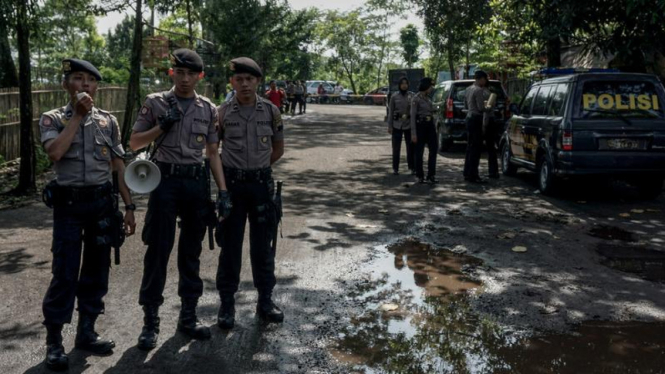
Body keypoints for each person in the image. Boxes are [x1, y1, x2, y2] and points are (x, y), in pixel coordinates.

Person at [38, 59, 136, 371]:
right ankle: (54, 342)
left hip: (101, 204)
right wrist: (77, 118)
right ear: (66, 84)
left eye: (90, 80)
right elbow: (54, 152)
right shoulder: (52, 118)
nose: (84, 85)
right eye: (77, 79)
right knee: (65, 272)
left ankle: (86, 332)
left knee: (97, 269)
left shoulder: (109, 122)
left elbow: (118, 166)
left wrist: (129, 207)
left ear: (97, 87)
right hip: (69, 206)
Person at [129, 48, 230, 350]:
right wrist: (162, 126)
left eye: (191, 74)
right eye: (180, 73)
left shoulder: (209, 108)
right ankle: (150, 320)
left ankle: (188, 316)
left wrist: (222, 191)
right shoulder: (156, 103)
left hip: (195, 183)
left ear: (200, 76)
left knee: (191, 251)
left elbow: (212, 153)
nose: (185, 79)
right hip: (164, 180)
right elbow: (134, 142)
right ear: (171, 73)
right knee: (158, 249)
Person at [216, 57, 285, 329]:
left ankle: (265, 300)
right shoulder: (221, 112)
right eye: (239, 79)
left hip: (260, 185)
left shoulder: (271, 112)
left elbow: (278, 149)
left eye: (250, 79)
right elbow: (213, 150)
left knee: (263, 246)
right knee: (230, 247)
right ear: (232, 82)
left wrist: (257, 168)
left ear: (258, 81)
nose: (244, 84)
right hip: (232, 186)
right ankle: (227, 303)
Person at [463, 70, 495, 183]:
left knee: (469, 147)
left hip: (469, 117)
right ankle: (473, 175)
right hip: (476, 119)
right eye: (485, 79)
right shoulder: (479, 90)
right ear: (481, 79)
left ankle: (467, 172)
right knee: (476, 148)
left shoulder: (468, 89)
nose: (485, 81)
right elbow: (482, 108)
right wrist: (490, 105)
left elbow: (465, 105)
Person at [411, 77, 438, 184]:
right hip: (420, 126)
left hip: (430, 125)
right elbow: (413, 117)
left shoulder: (428, 98)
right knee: (419, 151)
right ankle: (419, 175)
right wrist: (413, 133)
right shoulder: (416, 99)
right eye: (430, 86)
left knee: (434, 149)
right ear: (426, 86)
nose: (431, 88)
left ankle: (431, 175)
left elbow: (431, 111)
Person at [388, 77, 415, 175]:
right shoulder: (394, 96)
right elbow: (390, 112)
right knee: (396, 148)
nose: (404, 85)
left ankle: (412, 167)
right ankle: (395, 168)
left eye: (406, 83)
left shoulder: (412, 96)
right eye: (402, 83)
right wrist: (390, 126)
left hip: (408, 124)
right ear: (399, 85)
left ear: (408, 85)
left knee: (410, 147)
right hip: (397, 124)